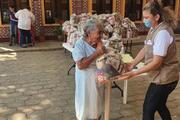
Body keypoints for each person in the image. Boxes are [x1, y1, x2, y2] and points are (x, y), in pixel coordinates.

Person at [117, 1, 179, 120]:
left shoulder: (162, 33)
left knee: (147, 110)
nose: (145, 20)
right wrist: (132, 64)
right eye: (143, 17)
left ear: (156, 16)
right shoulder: (154, 28)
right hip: (163, 77)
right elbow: (146, 47)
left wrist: (134, 73)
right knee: (160, 105)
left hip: (165, 79)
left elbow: (157, 62)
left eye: (147, 17)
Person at [72, 19, 105, 120]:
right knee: (84, 108)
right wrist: (97, 53)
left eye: (101, 32)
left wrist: (102, 77)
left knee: (97, 108)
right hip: (85, 83)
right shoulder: (79, 44)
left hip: (97, 81)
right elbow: (81, 65)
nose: (100, 35)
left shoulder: (99, 43)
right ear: (89, 33)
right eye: (98, 32)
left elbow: (102, 63)